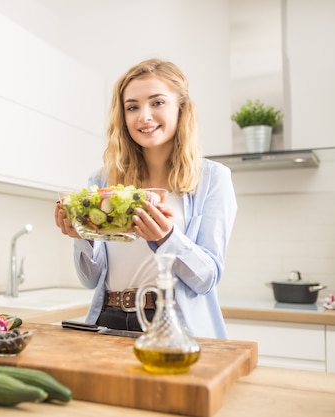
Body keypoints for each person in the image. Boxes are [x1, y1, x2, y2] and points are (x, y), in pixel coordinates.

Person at [54, 58, 237, 339]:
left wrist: (167, 238)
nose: (144, 116)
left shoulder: (212, 179)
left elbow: (206, 278)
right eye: (132, 107)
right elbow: (90, 279)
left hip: (173, 323)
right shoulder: (102, 181)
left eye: (158, 103)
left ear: (181, 108)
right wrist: (83, 234)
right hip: (109, 319)